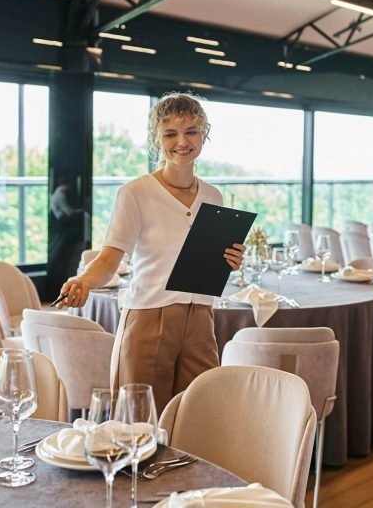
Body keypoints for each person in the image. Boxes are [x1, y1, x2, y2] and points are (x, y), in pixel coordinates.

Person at [59, 92, 244, 412]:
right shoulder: (135, 193)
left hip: (201, 318)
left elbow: (209, 260)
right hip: (149, 315)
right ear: (156, 141)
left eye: (191, 131)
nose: (182, 141)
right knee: (140, 420)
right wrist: (85, 281)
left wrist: (232, 261)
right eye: (170, 133)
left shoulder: (213, 196)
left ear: (204, 135)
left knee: (196, 414)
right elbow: (109, 258)